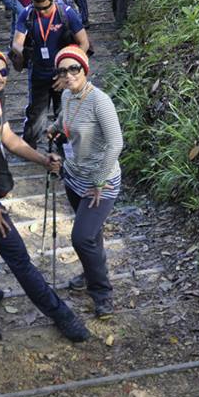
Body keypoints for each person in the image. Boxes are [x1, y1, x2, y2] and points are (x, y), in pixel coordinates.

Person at [0, 44, 90, 343]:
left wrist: (42, 159)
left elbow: (7, 137)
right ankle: (62, 315)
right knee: (19, 259)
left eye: (3, 71)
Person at [50, 47, 123, 317]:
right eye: (63, 71)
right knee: (91, 234)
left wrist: (99, 180)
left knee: (81, 238)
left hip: (100, 183)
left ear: (85, 69)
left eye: (74, 68)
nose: (68, 75)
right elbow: (65, 120)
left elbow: (116, 143)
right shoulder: (67, 95)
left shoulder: (100, 101)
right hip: (74, 177)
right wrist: (54, 128)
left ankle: (102, 294)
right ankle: (90, 271)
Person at [11, 0, 89, 150]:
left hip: (64, 73)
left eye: (45, 8)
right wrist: (22, 53)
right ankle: (29, 149)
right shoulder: (28, 14)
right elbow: (16, 43)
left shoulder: (66, 13)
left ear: (52, 0)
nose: (41, 12)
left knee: (64, 111)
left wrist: (69, 72)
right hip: (38, 71)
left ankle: (64, 148)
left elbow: (84, 43)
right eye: (37, 8)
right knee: (35, 113)